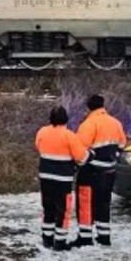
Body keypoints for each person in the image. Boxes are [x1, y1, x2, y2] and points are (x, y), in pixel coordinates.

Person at [35, 106, 91, 251]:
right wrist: (91, 154)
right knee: (62, 210)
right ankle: (59, 242)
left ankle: (47, 239)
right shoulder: (69, 136)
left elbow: (38, 147)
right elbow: (82, 157)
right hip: (63, 180)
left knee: (48, 208)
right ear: (66, 119)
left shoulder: (42, 132)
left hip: (45, 177)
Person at [74, 94, 127, 247]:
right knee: (104, 203)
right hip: (109, 171)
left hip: (90, 171)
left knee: (85, 203)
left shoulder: (88, 124)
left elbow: (80, 148)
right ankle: (104, 236)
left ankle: (85, 237)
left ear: (89, 107)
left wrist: (77, 164)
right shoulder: (115, 123)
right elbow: (122, 144)